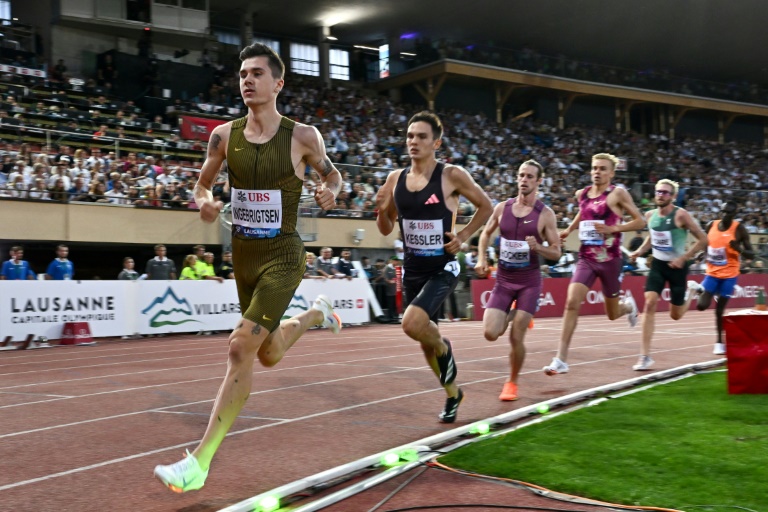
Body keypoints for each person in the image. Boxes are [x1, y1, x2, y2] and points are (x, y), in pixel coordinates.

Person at [154, 43, 343, 493]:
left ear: (277, 83)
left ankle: (198, 463)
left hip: (284, 255)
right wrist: (204, 205)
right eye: (242, 74)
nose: (247, 80)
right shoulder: (222, 135)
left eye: (257, 73)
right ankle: (318, 313)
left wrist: (332, 190)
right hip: (243, 257)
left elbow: (332, 176)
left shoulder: (303, 136)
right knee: (270, 352)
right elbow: (201, 186)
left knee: (240, 347)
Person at [376, 110, 492, 423]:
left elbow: (486, 206)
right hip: (412, 268)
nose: (414, 141)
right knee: (425, 344)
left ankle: (443, 346)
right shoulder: (394, 179)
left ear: (436, 142)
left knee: (412, 325)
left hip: (443, 267)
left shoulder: (451, 175)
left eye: (421, 136)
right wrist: (381, 208)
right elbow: (385, 228)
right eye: (410, 136)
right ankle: (454, 394)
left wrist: (464, 236)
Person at [543, 153, 646, 376]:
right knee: (571, 302)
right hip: (587, 258)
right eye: (594, 168)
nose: (596, 172)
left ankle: (627, 306)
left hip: (610, 260)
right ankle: (560, 359)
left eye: (602, 168)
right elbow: (583, 213)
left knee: (612, 313)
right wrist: (569, 229)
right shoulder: (583, 194)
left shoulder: (618, 193)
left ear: (611, 172)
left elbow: (641, 221)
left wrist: (614, 229)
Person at [474, 160, 561, 400]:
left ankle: (511, 382)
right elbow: (485, 233)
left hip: (529, 282)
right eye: (521, 175)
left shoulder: (545, 214)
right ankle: (514, 313)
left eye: (530, 176)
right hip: (503, 280)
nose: (524, 180)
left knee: (516, 335)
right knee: (491, 333)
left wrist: (540, 248)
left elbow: (557, 252)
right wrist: (482, 257)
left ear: (539, 181)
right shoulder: (502, 208)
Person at [628, 179, 708, 370]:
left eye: (665, 192)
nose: (660, 195)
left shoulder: (681, 215)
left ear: (673, 196)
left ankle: (691, 291)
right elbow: (652, 237)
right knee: (649, 302)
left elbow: (703, 238)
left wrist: (685, 258)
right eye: (658, 192)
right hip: (658, 265)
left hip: (678, 268)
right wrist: (640, 251)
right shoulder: (650, 215)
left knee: (676, 315)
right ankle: (645, 356)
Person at [693, 200, 755, 355]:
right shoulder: (711, 225)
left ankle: (719, 342)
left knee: (719, 310)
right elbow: (707, 243)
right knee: (701, 306)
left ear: (734, 215)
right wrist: (703, 253)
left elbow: (752, 254)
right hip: (712, 273)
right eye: (723, 211)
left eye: (728, 212)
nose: (724, 215)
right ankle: (705, 292)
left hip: (729, 275)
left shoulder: (740, 229)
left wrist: (738, 249)